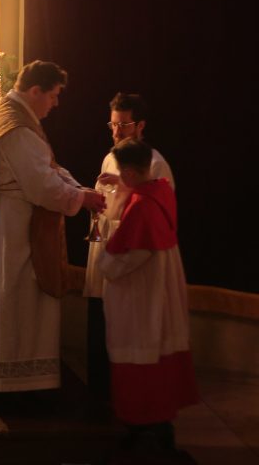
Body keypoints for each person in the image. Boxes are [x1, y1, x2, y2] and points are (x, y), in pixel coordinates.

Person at [0, 60, 106, 394]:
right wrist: (83, 200)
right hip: (17, 230)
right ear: (35, 91)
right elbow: (42, 188)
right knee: (15, 300)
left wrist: (78, 190)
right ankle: (15, 384)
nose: (56, 104)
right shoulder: (19, 129)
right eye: (53, 96)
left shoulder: (3, 111)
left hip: (1, 219)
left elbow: (46, 167)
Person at [96, 138, 198, 459]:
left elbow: (121, 261)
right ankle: (160, 427)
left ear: (128, 170)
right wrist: (123, 187)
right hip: (160, 291)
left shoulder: (140, 209)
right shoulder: (160, 189)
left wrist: (103, 261)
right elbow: (140, 192)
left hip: (141, 298)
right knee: (160, 356)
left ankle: (141, 430)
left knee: (140, 356)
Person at [85, 93, 174, 401]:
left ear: (141, 125)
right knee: (99, 320)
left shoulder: (155, 163)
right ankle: (98, 393)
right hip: (107, 244)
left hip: (133, 256)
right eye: (112, 124)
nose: (116, 132)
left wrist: (121, 190)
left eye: (123, 125)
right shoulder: (111, 156)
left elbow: (157, 206)